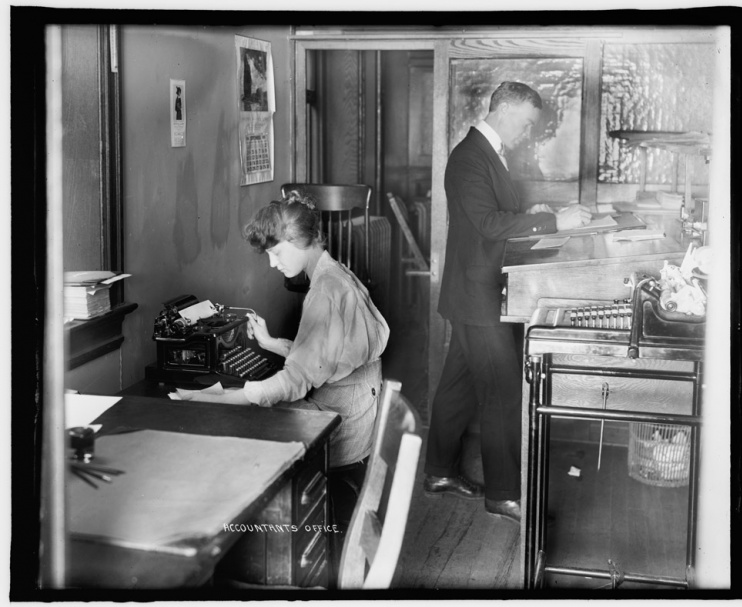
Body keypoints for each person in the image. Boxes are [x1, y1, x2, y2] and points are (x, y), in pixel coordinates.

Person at [176, 190, 390, 569]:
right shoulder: (337, 274)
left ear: (297, 241)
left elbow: (295, 382)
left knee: (241, 425)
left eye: (276, 253)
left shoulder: (323, 292)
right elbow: (329, 354)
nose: (273, 264)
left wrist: (221, 398)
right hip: (360, 418)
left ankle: (246, 556)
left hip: (340, 431)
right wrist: (273, 343)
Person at [424, 81, 591, 522]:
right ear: (504, 109)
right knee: (501, 391)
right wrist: (553, 220)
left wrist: (537, 213)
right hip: (477, 294)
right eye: (527, 122)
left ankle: (439, 472)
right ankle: (503, 493)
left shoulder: (487, 152)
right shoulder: (469, 156)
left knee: (457, 389)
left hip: (475, 289)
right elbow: (485, 222)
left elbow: (494, 214)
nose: (530, 131)